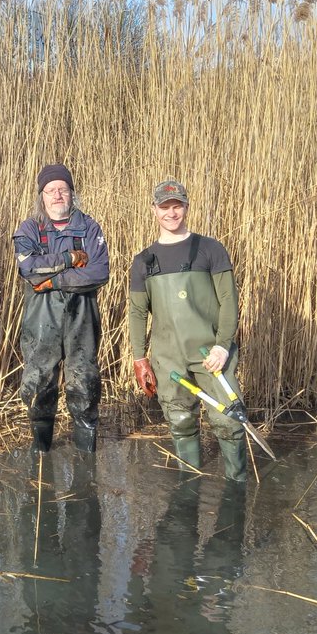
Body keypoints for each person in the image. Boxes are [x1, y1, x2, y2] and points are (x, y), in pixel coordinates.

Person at [128, 179, 247, 481]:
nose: (171, 212)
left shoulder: (210, 249)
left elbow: (228, 301)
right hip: (168, 357)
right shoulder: (143, 261)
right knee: (180, 420)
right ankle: (190, 486)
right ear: (153, 210)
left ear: (186, 207)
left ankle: (236, 490)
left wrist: (223, 345)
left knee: (228, 420)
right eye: (165, 207)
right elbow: (139, 312)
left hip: (211, 353)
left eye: (177, 205)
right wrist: (140, 359)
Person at [12, 164, 110, 453]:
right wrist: (71, 258)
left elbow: (99, 272)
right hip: (42, 320)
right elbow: (29, 269)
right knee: (39, 384)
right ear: (41, 196)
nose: (57, 195)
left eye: (63, 189)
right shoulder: (29, 228)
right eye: (51, 190)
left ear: (72, 194)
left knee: (84, 383)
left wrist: (51, 281)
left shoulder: (90, 228)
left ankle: (85, 459)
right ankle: (41, 454)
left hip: (82, 317)